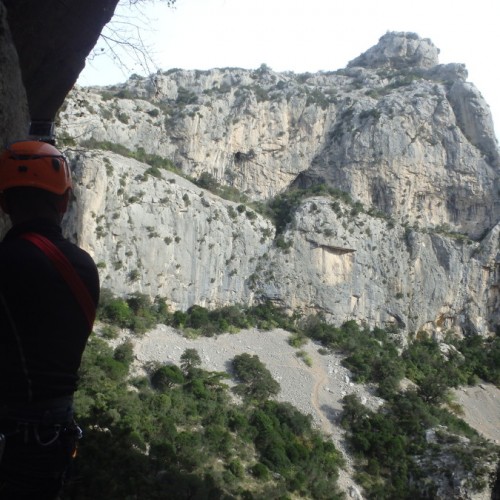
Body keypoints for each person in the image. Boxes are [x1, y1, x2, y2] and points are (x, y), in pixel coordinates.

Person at [0, 140, 100, 499]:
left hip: (12, 434)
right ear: (63, 201)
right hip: (53, 438)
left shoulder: (7, 262)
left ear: (5, 202)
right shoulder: (84, 267)